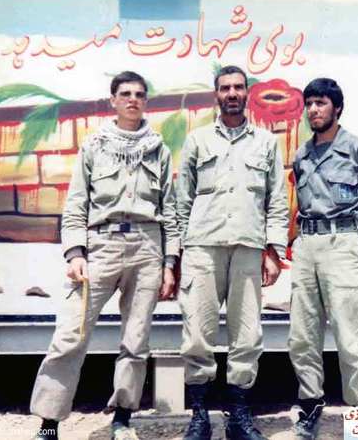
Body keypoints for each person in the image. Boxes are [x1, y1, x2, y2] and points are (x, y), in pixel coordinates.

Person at [30, 71, 179, 440]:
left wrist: (169, 263)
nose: (132, 99)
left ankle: (123, 419)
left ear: (146, 101)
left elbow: (170, 211)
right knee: (71, 334)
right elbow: (76, 204)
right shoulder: (95, 146)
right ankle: (49, 422)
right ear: (113, 100)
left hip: (146, 247)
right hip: (101, 246)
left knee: (136, 340)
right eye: (125, 93)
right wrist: (75, 253)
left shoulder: (158, 149)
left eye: (139, 94)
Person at [175, 65, 288, 440]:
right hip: (202, 249)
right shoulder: (197, 140)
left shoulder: (266, 143)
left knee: (247, 336)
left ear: (247, 94)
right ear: (217, 94)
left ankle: (239, 418)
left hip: (248, 249)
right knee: (197, 336)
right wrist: (178, 253)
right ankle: (200, 417)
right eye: (225, 88)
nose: (233, 93)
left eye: (239, 87)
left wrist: (273, 250)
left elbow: (277, 201)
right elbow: (181, 201)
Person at [288, 78, 358, 439]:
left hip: (343, 241)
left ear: (337, 108)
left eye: (321, 103)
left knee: (350, 337)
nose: (314, 110)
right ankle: (310, 406)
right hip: (307, 244)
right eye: (309, 104)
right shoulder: (302, 155)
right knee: (302, 336)